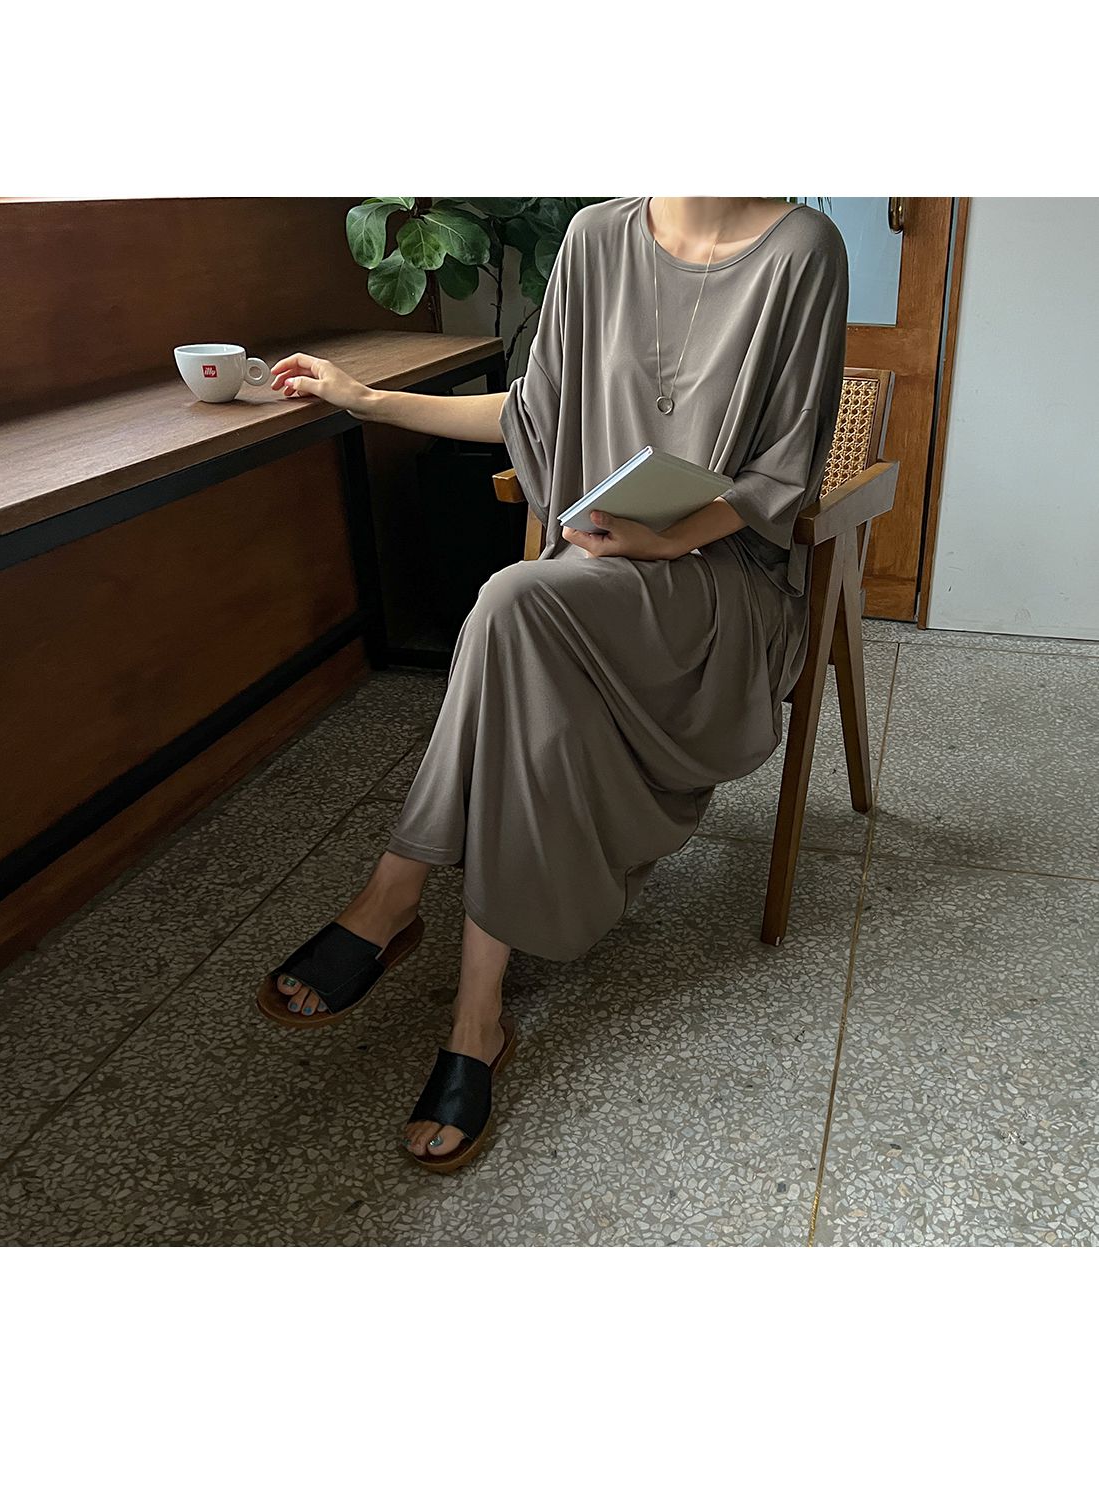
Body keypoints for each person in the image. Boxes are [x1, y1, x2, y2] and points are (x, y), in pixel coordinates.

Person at [254, 197, 849, 1173]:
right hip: (588, 580)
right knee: (521, 613)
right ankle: (475, 1015)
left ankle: (394, 896)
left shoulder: (802, 250)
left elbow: (782, 471)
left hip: (720, 587)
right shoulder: (593, 238)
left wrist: (665, 538)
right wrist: (367, 400)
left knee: (513, 604)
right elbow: (531, 413)